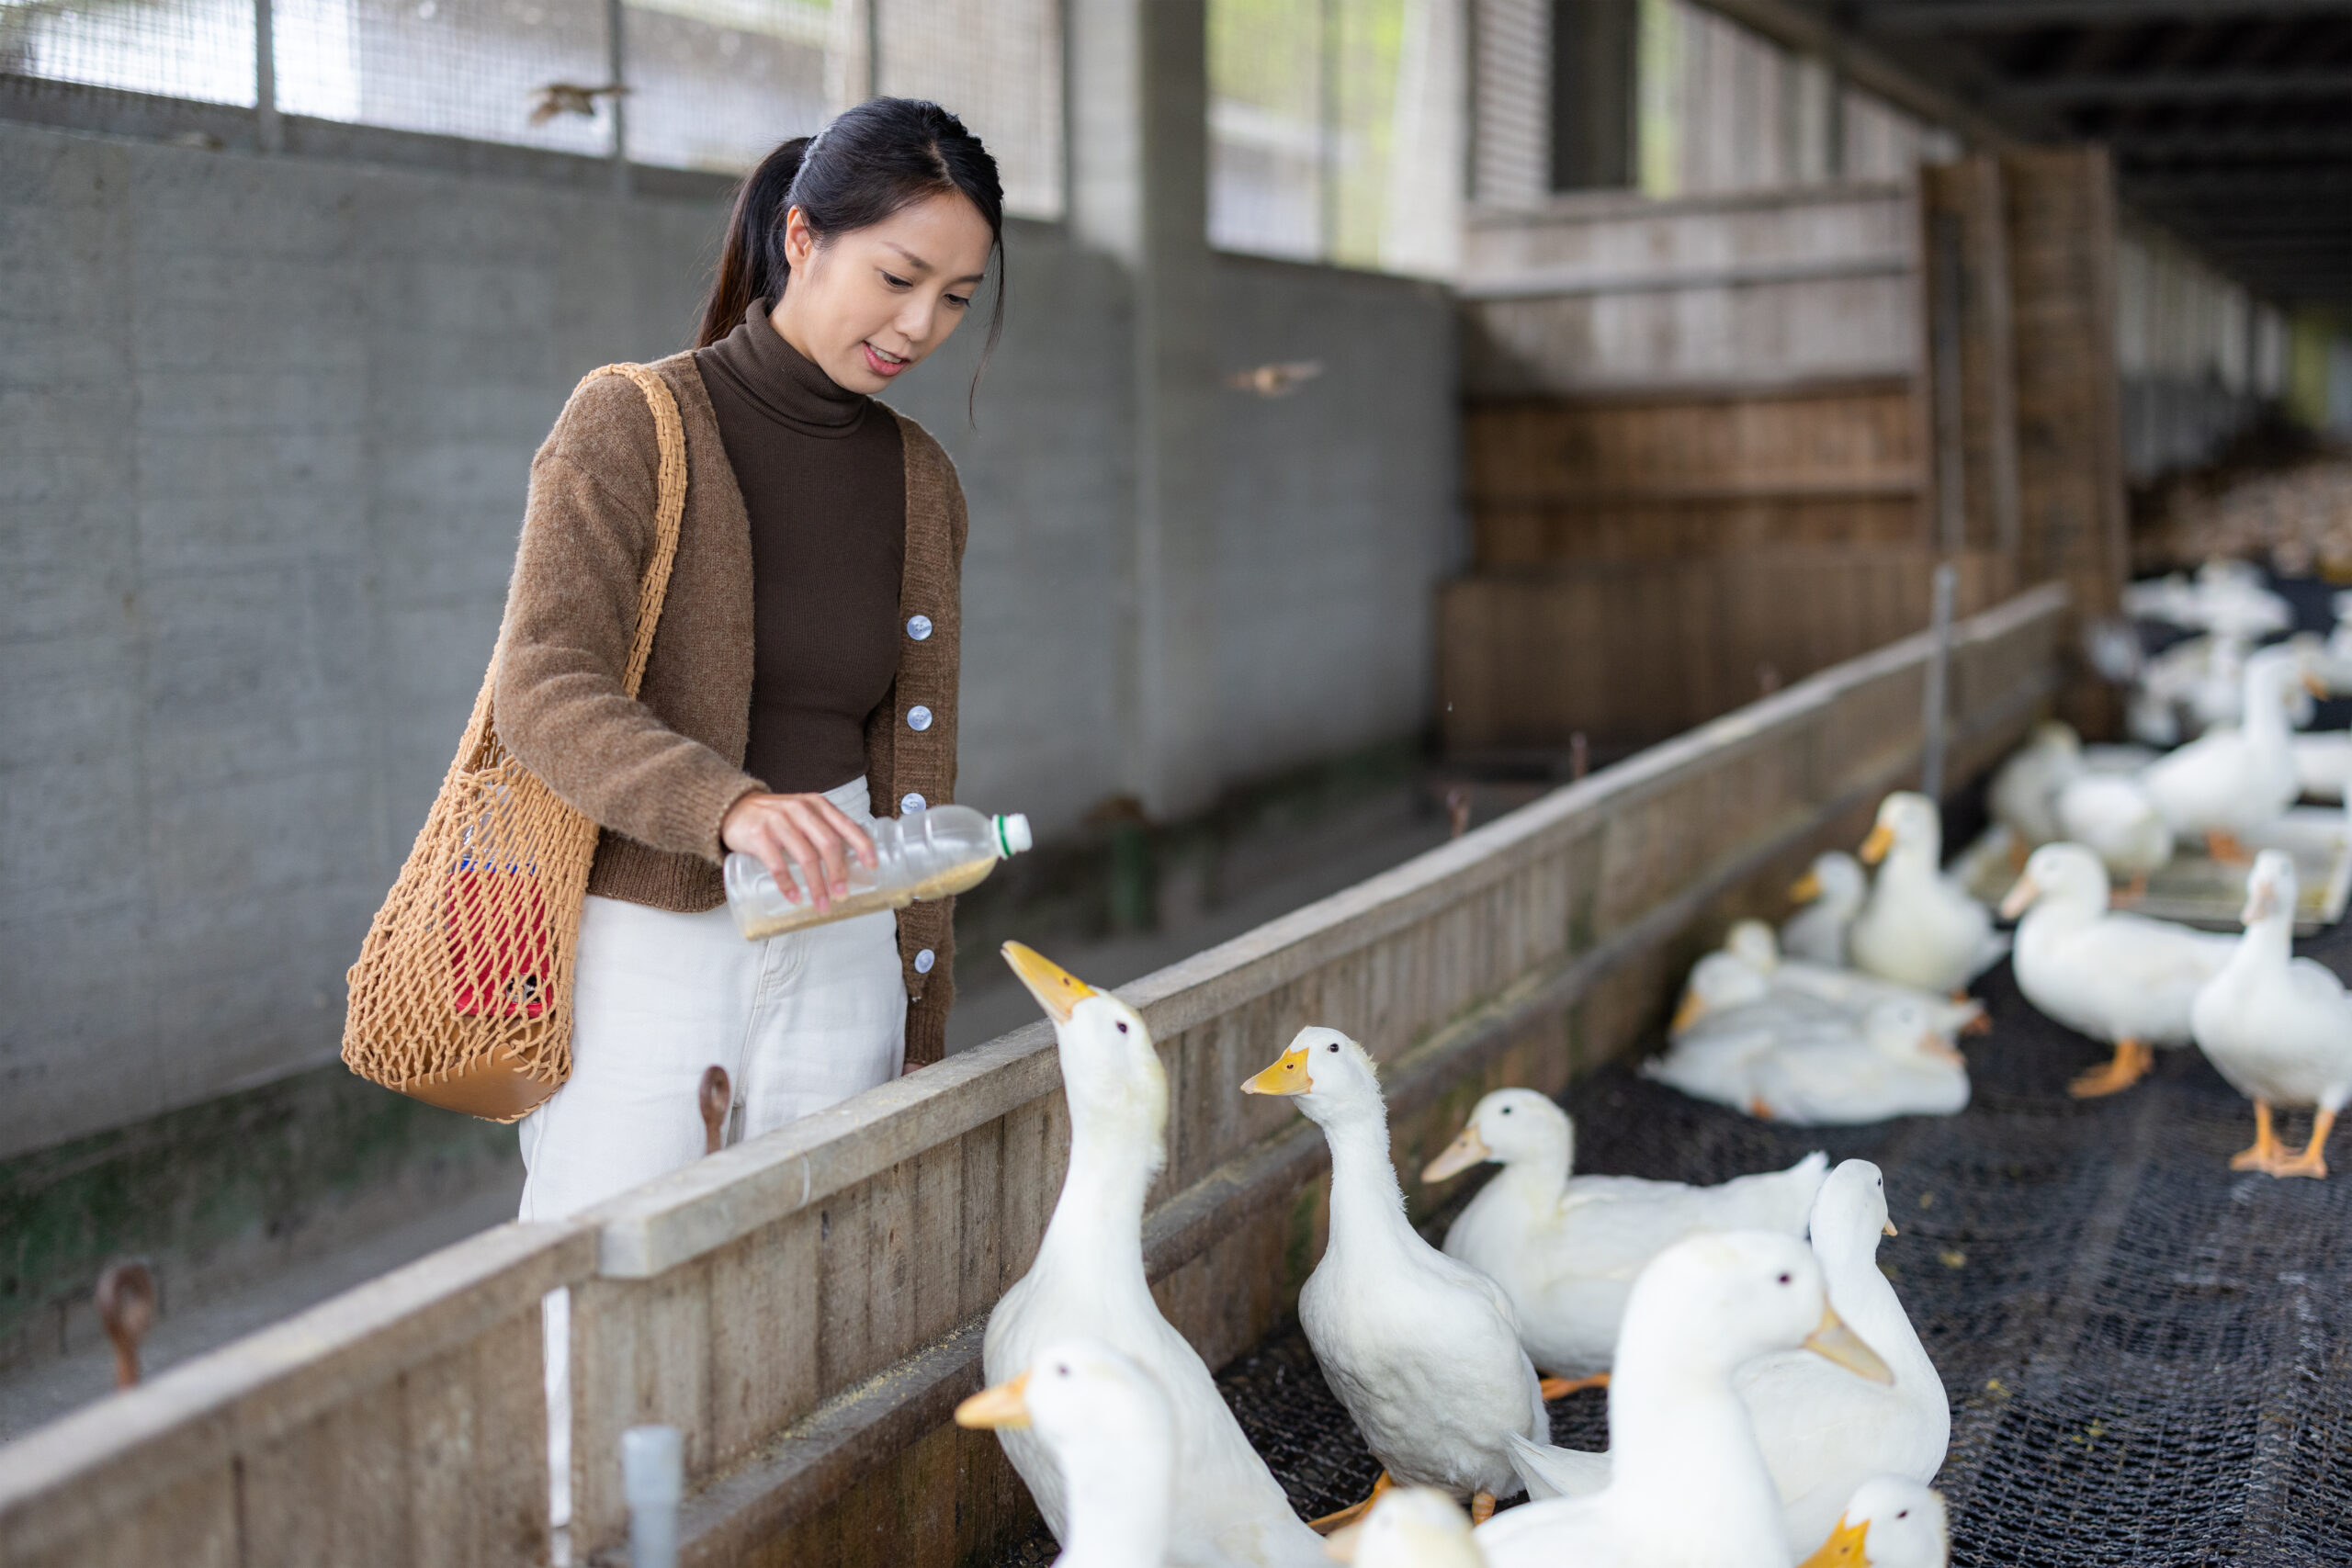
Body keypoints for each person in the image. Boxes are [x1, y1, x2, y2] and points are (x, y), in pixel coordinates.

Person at [496, 98, 1003, 1224]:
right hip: (655, 932)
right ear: (802, 238)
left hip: (847, 924)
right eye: (898, 276)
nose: (920, 325)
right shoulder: (631, 420)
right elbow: (539, 686)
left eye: (956, 299)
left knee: (816, 1281)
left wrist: (917, 991)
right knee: (617, 1282)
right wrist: (730, 806)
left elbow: (908, 756)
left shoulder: (922, 482)